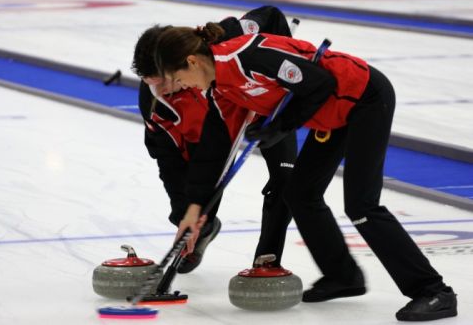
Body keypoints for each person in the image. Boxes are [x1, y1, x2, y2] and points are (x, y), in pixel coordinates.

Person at [153, 24, 458, 321]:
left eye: (178, 78)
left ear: (192, 61)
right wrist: (194, 209)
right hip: (332, 116)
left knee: (362, 206)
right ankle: (343, 277)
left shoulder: (246, 58)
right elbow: (213, 151)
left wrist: (281, 126)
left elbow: (320, 82)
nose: (183, 86)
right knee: (299, 194)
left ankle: (433, 290)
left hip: (363, 98)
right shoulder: (221, 91)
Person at [131, 6, 297, 273]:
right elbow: (170, 162)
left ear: (183, 61)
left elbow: (271, 16)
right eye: (150, 83)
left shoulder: (223, 38)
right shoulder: (153, 99)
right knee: (194, 195)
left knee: (286, 180)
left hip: (265, 114)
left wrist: (283, 79)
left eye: (163, 82)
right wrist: (186, 217)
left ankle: (267, 259)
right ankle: (204, 229)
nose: (159, 91)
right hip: (209, 138)